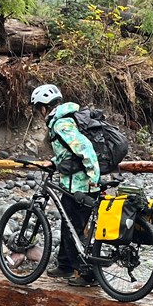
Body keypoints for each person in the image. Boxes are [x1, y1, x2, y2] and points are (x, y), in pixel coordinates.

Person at [30, 83, 101, 286]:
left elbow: (84, 148)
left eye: (38, 109)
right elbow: (68, 153)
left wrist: (93, 179)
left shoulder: (61, 123)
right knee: (67, 222)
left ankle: (87, 274)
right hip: (72, 184)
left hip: (81, 185)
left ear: (44, 107)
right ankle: (65, 265)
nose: (38, 114)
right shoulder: (63, 120)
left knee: (74, 228)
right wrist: (54, 162)